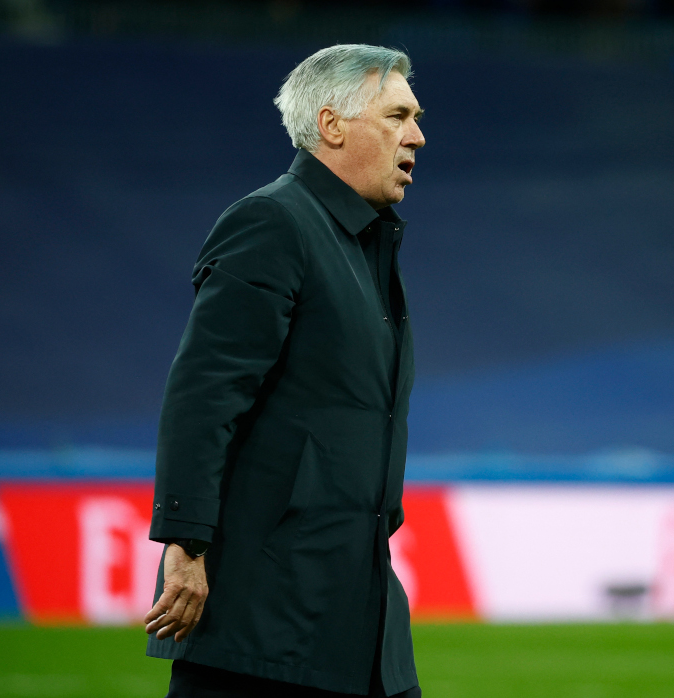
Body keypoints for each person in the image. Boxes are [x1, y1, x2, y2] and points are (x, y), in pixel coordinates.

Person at [143, 44, 425, 698]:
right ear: (332, 126)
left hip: (361, 612)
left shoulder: (364, 244)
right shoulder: (274, 221)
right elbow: (206, 390)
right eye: (397, 116)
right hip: (265, 622)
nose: (416, 135)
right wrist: (185, 543)